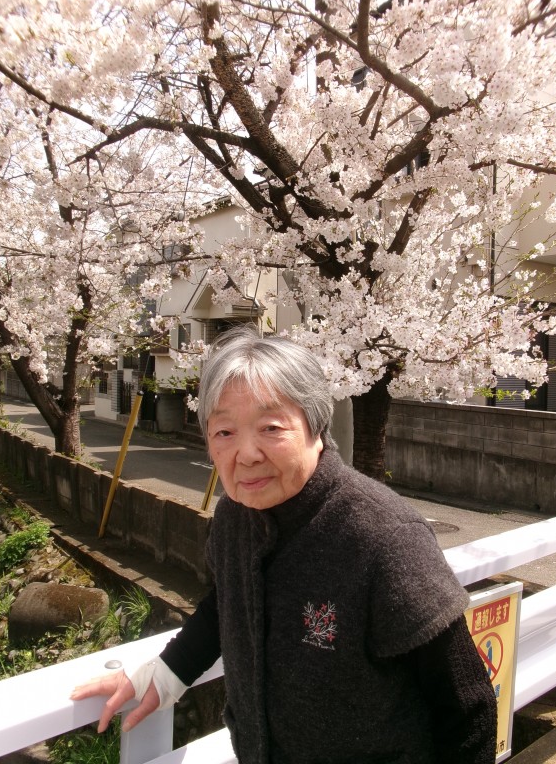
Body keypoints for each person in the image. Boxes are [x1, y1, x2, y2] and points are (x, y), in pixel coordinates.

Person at [72, 326, 497, 764]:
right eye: (224, 432)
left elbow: (468, 706)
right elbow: (229, 604)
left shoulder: (384, 537)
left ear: (316, 427)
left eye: (271, 427)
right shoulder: (234, 515)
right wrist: (164, 675)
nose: (247, 454)